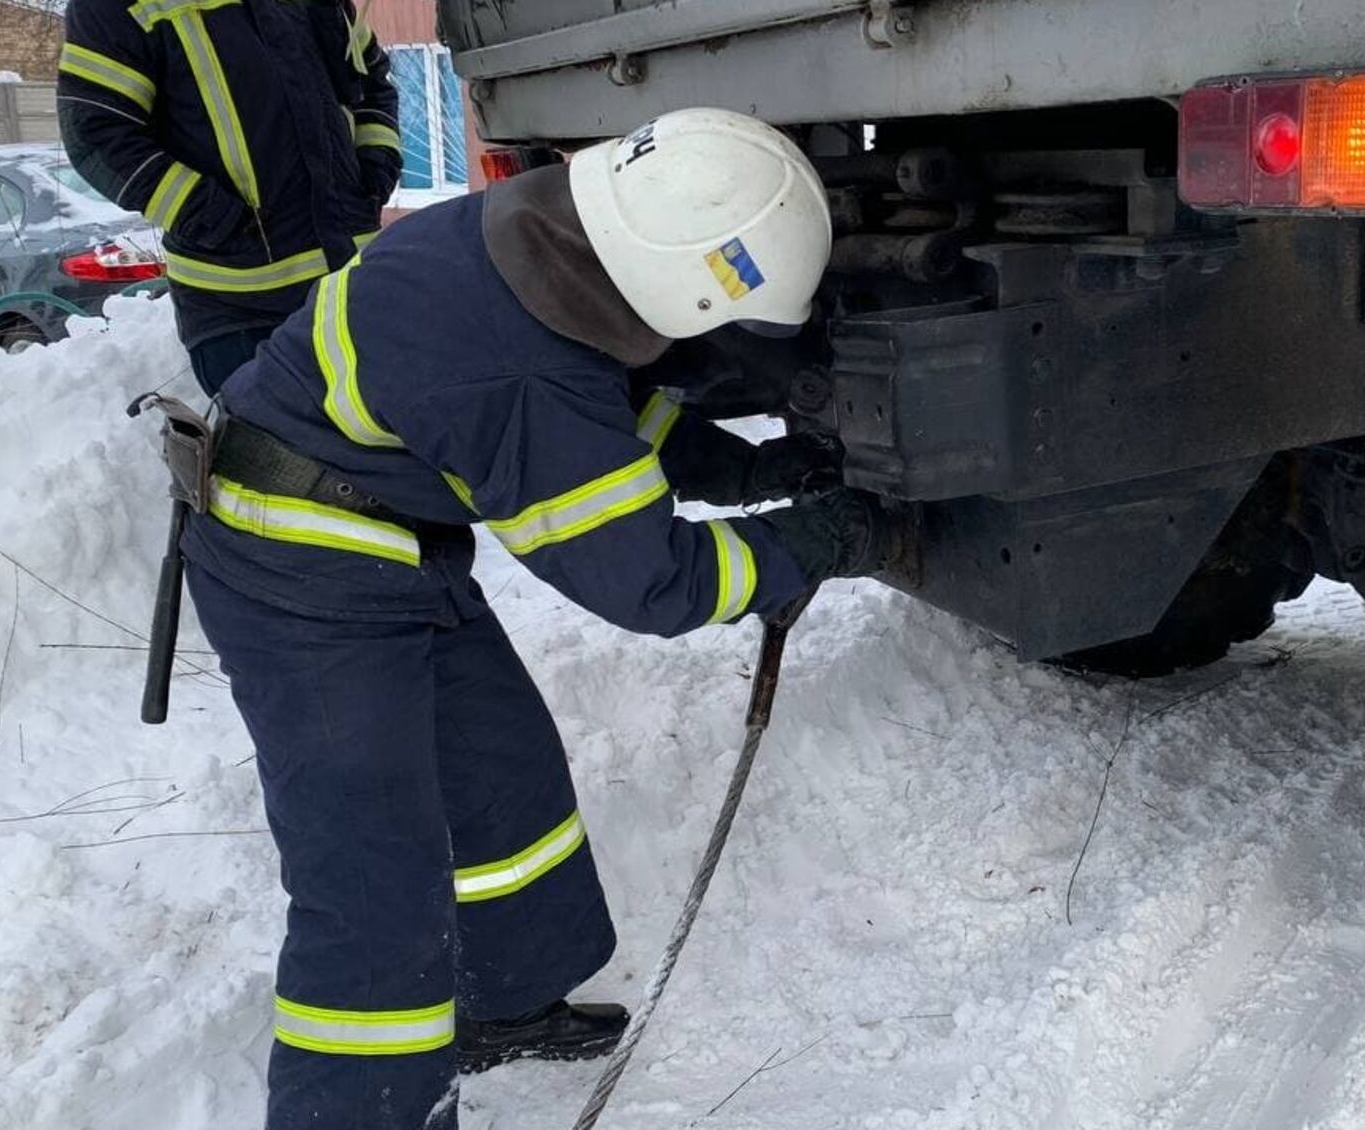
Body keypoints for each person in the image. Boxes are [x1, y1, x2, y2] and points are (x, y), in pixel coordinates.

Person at [175, 107, 885, 1129]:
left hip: (382, 541)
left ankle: (498, 1004)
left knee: (501, 779)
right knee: (373, 889)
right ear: (685, 282)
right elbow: (656, 583)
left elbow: (594, 396)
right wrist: (801, 550)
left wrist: (735, 467)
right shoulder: (518, 374)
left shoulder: (533, 238)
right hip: (297, 573)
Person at [56, 0, 401, 394]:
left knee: (390, 446)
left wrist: (375, 169)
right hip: (241, 312)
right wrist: (212, 217)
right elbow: (95, 132)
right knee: (271, 454)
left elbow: (373, 81)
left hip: (351, 288)